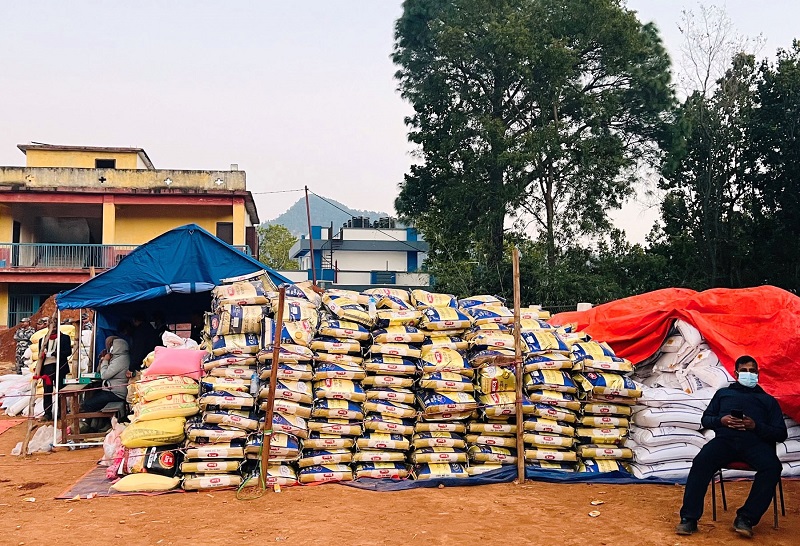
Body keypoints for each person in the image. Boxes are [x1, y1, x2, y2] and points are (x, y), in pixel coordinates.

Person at [676, 355, 787, 538]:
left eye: (752, 371)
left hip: (755, 444)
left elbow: (781, 433)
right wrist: (721, 420)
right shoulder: (723, 394)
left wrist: (755, 426)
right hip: (725, 442)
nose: (748, 374)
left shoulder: (768, 400)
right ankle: (689, 518)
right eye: (744, 371)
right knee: (701, 462)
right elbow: (706, 419)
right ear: (736, 374)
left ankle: (746, 518)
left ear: (758, 374)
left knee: (772, 467)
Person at [80, 335, 129, 433]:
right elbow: (99, 371)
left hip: (116, 393)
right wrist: (102, 360)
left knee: (88, 404)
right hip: (111, 390)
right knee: (92, 397)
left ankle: (94, 426)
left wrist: (106, 361)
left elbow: (104, 375)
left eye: (111, 345)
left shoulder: (121, 360)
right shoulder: (116, 358)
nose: (109, 348)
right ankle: (95, 424)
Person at [37, 320, 71, 421]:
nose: (53, 329)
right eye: (52, 327)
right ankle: (47, 413)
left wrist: (56, 353)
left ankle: (62, 412)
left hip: (59, 367)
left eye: (55, 327)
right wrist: (43, 354)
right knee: (47, 391)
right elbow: (39, 355)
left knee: (60, 389)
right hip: (47, 368)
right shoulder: (43, 340)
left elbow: (68, 352)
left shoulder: (64, 338)